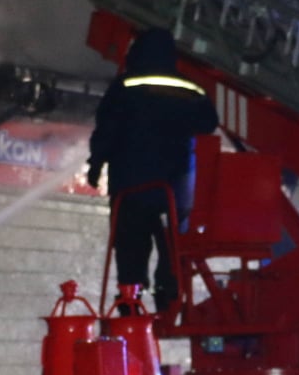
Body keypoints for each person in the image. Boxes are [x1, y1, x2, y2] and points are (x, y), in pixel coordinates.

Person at [86, 27, 219, 313]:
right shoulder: (190, 89)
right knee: (173, 248)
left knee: (130, 248)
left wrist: (95, 166)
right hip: (176, 190)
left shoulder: (125, 86)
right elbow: (209, 123)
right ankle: (168, 297)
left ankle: (130, 301)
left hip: (131, 188)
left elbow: (106, 131)